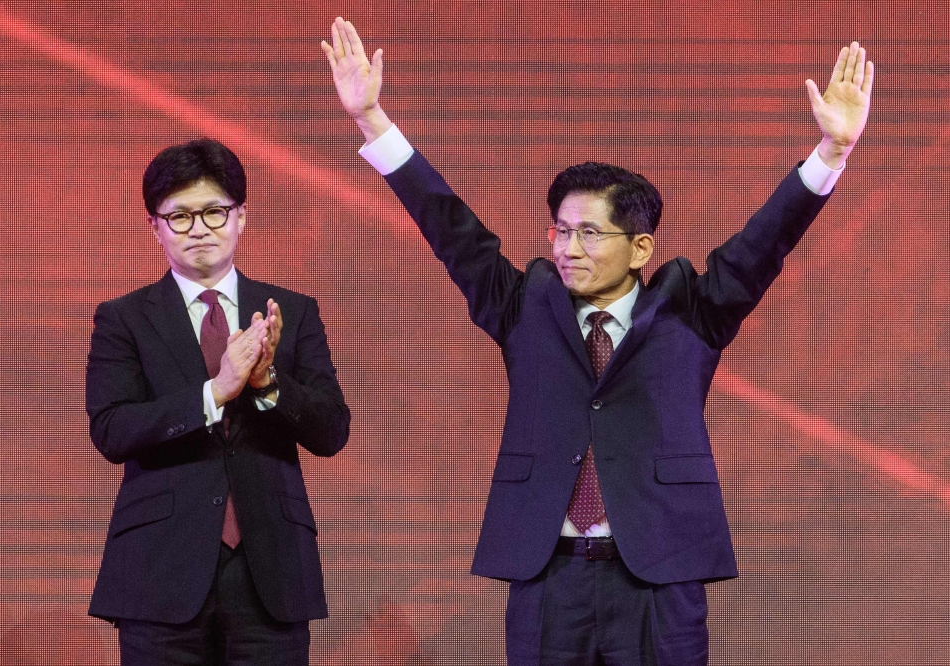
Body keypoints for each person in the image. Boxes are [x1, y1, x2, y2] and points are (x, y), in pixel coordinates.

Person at [323, 17, 872, 666]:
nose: (568, 248)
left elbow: (764, 242)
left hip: (659, 573)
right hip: (548, 574)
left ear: (640, 248)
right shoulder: (524, 306)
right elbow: (450, 227)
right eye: (560, 231)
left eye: (589, 234)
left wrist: (830, 152)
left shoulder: (692, 309)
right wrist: (372, 120)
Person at [85, 137, 350, 664]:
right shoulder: (124, 319)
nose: (199, 228)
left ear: (241, 217)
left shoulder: (290, 312)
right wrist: (215, 392)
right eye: (179, 216)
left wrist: (268, 383)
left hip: (270, 571)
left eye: (213, 211)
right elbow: (112, 430)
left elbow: (331, 431)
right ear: (154, 227)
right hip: (159, 573)